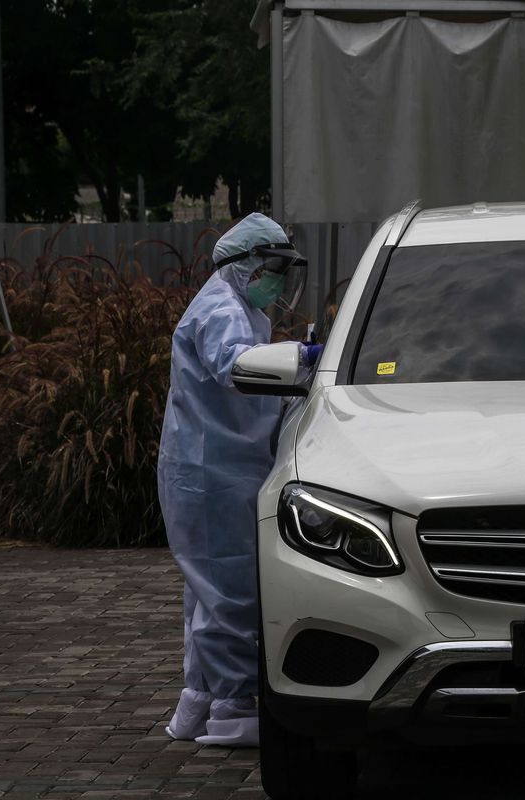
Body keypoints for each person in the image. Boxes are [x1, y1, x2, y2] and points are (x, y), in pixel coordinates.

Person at [158, 213, 319, 748]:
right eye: (273, 269)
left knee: (208, 591)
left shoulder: (241, 309)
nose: (278, 282)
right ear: (246, 265)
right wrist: (305, 360)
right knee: (228, 590)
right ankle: (232, 706)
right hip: (212, 474)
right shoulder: (223, 311)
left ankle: (199, 701)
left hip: (222, 467)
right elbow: (238, 366)